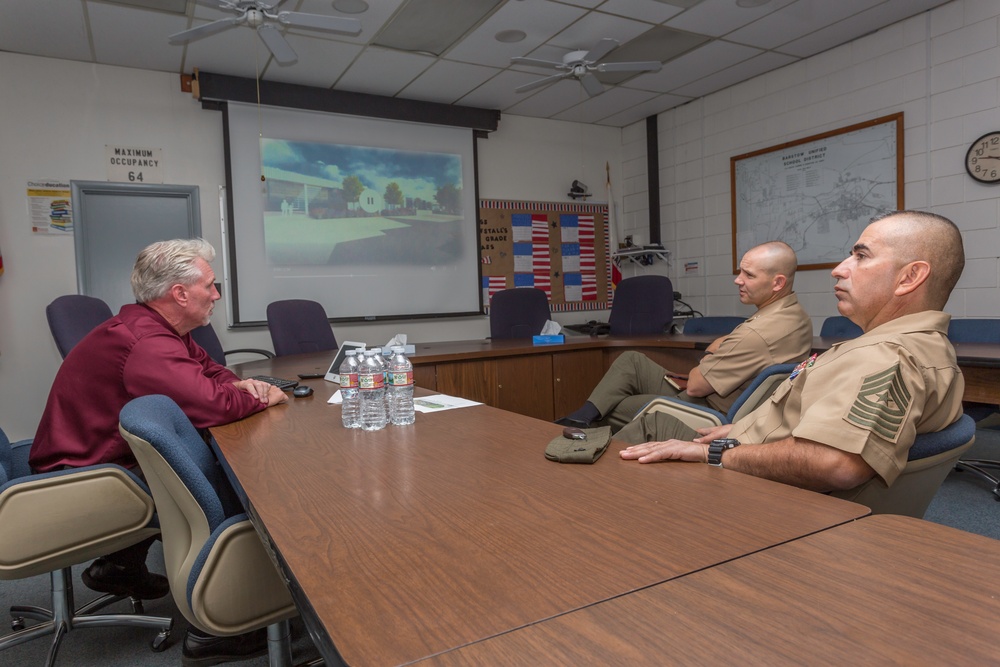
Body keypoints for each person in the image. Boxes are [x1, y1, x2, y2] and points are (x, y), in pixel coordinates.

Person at [30, 238, 287, 666]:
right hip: (83, 474)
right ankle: (216, 627)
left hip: (97, 458)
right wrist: (264, 399)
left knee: (195, 456)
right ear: (180, 293)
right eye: (211, 285)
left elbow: (208, 371)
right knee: (214, 481)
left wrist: (240, 384)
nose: (217, 295)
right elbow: (211, 404)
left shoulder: (154, 327)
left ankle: (117, 565)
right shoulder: (146, 342)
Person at [618, 210, 966, 496]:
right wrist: (744, 428)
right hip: (752, 459)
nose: (839, 268)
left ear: (910, 278)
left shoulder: (885, 357)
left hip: (759, 494)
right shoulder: (925, 346)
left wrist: (714, 452)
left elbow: (836, 464)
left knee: (619, 457)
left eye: (861, 256)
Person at [558, 241, 813, 432]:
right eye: (740, 272)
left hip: (706, 408)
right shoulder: (797, 316)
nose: (738, 280)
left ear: (778, 282)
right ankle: (579, 418)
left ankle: (579, 428)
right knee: (631, 360)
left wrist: (713, 350)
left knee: (612, 407)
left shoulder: (756, 333)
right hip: (715, 396)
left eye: (749, 275)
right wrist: (725, 345)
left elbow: (695, 384)